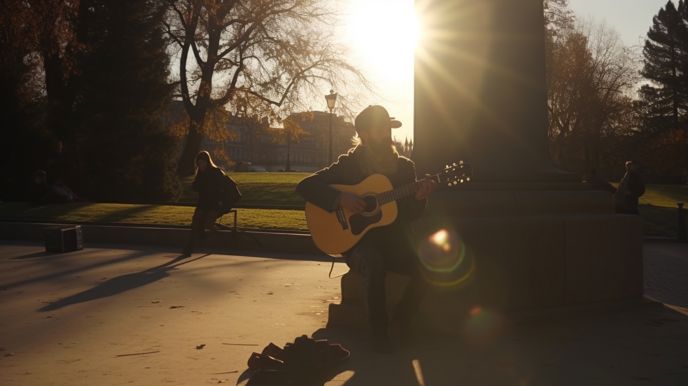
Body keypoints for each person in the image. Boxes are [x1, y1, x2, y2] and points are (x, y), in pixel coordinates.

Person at [296, 105, 437, 352]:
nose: (386, 134)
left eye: (388, 129)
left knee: (430, 267)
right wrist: (339, 199)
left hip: (395, 242)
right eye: (380, 129)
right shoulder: (349, 165)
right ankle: (379, 334)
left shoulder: (404, 168)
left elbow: (410, 215)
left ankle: (403, 319)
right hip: (358, 243)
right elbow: (306, 186)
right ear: (364, 133)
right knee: (373, 261)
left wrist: (419, 197)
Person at [183, 151, 240, 256]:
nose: (201, 165)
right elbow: (196, 187)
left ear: (208, 162)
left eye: (203, 162)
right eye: (199, 163)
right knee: (195, 223)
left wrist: (221, 200)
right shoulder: (200, 173)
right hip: (203, 203)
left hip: (214, 204)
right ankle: (189, 248)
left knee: (208, 224)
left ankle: (220, 237)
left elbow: (222, 187)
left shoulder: (216, 172)